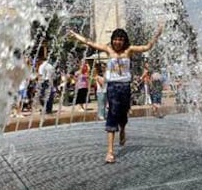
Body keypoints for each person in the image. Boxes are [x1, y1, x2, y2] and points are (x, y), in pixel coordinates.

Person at [69, 24, 163, 163]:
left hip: (125, 87)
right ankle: (110, 151)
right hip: (112, 87)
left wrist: (157, 35)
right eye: (115, 39)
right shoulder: (108, 50)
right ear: (112, 40)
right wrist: (76, 35)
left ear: (124, 41)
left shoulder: (129, 50)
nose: (117, 42)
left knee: (123, 113)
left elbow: (147, 47)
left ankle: (123, 129)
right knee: (112, 115)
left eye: (120, 40)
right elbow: (90, 42)